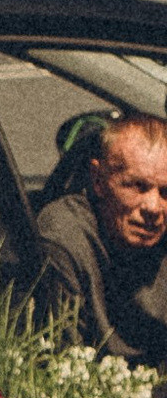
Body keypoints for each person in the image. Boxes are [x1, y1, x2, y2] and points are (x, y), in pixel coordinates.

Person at [37, 107, 167, 370]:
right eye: (137, 186)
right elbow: (65, 367)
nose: (153, 207)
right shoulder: (66, 237)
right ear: (98, 180)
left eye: (165, 192)